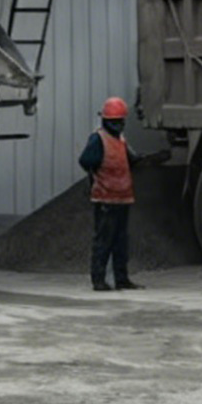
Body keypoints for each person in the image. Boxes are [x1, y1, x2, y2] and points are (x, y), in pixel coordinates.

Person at [78, 96, 141, 292]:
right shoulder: (98, 139)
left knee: (120, 243)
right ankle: (98, 280)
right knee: (104, 242)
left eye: (120, 121)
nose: (119, 125)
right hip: (105, 199)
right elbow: (86, 161)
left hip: (122, 198)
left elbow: (131, 160)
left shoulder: (120, 140)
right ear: (108, 121)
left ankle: (122, 279)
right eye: (117, 121)